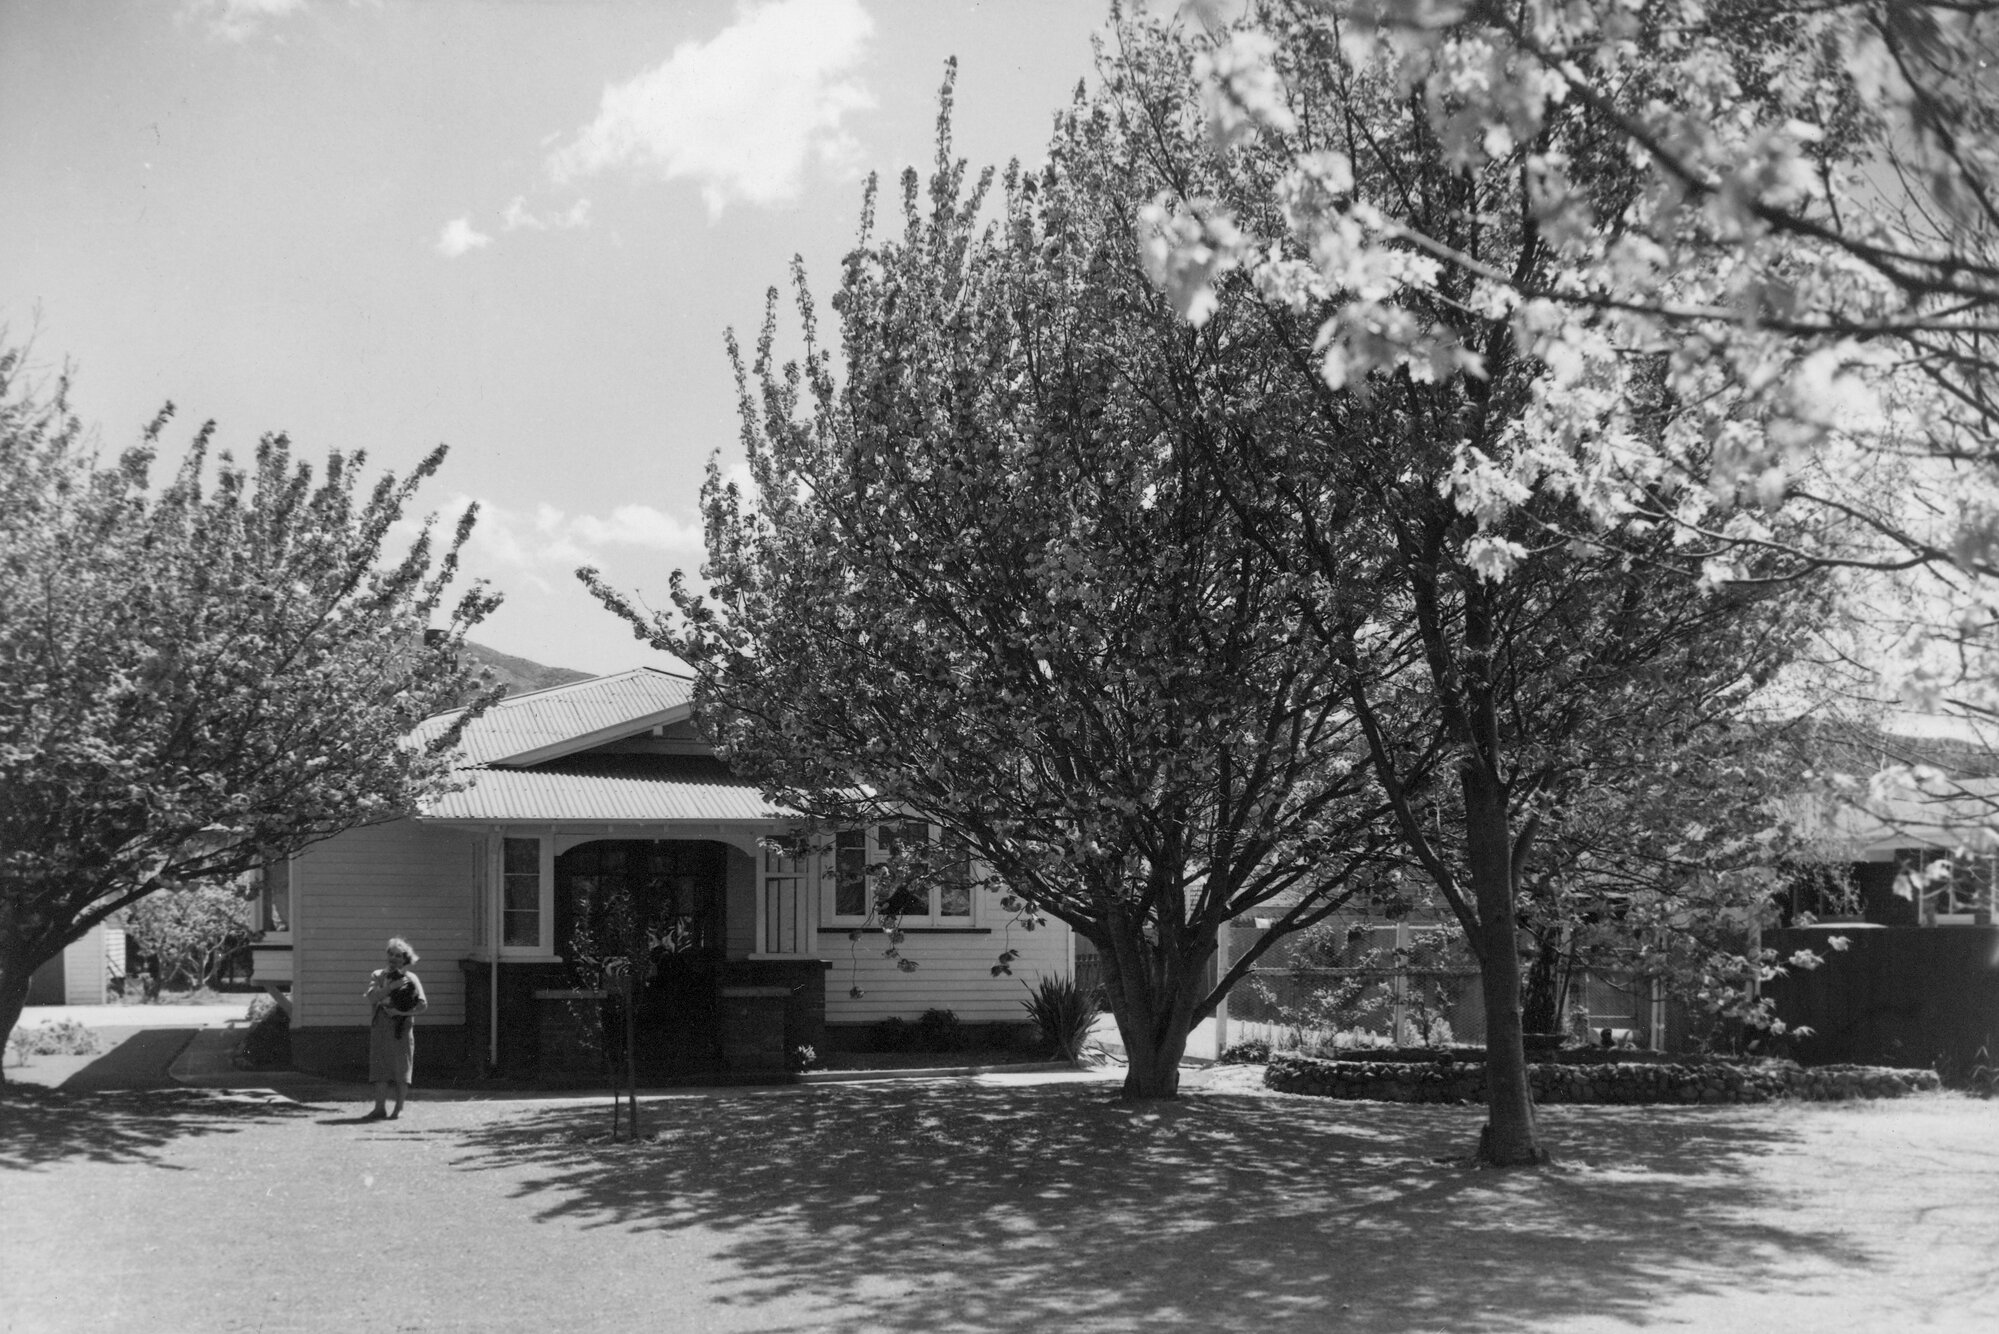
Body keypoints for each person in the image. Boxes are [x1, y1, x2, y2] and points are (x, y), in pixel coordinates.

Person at [364, 937, 428, 1120]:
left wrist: (400, 1013)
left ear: (405, 959)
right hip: (380, 1027)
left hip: (402, 1029)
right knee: (380, 1070)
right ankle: (379, 1108)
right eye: (390, 954)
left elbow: (422, 1005)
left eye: (398, 955)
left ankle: (398, 1109)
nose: (393, 958)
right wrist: (392, 987)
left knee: (402, 1070)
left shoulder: (412, 978)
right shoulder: (377, 975)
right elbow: (371, 998)